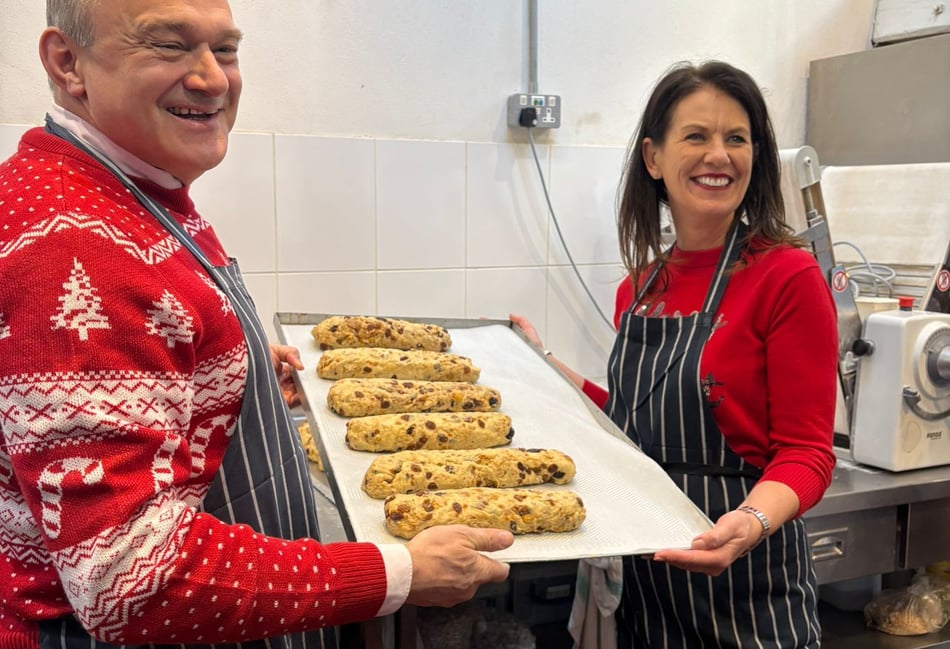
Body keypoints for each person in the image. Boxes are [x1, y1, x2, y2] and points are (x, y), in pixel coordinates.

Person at [0, 1, 515, 647]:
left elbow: (132, 360)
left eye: (226, 50)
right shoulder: (75, 246)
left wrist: (230, 375)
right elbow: (129, 579)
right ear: (67, 63)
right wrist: (400, 571)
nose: (212, 78)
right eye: (168, 45)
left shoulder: (131, 193)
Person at [512, 60, 838, 648]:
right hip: (650, 578)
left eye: (737, 138)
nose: (720, 154)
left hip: (748, 580)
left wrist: (750, 522)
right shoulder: (638, 288)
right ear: (653, 158)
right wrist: (541, 360)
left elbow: (806, 454)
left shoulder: (787, 276)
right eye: (697, 136)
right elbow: (632, 426)